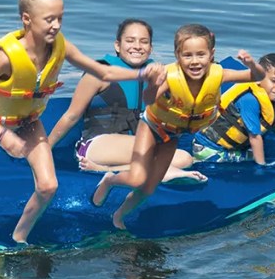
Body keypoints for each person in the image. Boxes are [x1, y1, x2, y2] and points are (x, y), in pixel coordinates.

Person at [0, 0, 163, 243]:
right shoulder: (6, 58)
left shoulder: (61, 47)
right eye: (49, 19)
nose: (56, 25)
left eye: (60, 18)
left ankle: (18, 239)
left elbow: (103, 72)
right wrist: (2, 135)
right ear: (27, 19)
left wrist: (141, 73)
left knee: (48, 186)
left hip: (29, 124)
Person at [92, 24, 266, 229]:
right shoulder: (169, 76)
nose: (195, 61)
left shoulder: (218, 74)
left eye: (200, 54)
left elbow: (258, 76)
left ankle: (119, 216)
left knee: (149, 188)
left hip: (173, 134)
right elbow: (147, 100)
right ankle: (109, 180)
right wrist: (154, 83)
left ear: (211, 54)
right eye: (187, 55)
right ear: (177, 55)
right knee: (137, 178)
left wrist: (251, 64)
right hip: (151, 127)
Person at [46, 18, 205, 183]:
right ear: (117, 45)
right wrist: (45, 149)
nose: (137, 46)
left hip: (135, 148)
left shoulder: (159, 77)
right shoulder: (100, 73)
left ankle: (109, 170)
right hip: (98, 145)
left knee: (184, 159)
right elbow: (71, 116)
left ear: (150, 48)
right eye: (130, 41)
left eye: (144, 42)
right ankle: (160, 172)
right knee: (172, 155)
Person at [191, 53, 275, 165]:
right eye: (273, 80)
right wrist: (262, 166)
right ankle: (193, 161)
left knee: (269, 149)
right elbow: (255, 137)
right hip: (209, 148)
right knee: (261, 156)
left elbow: (271, 128)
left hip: (230, 146)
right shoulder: (249, 100)